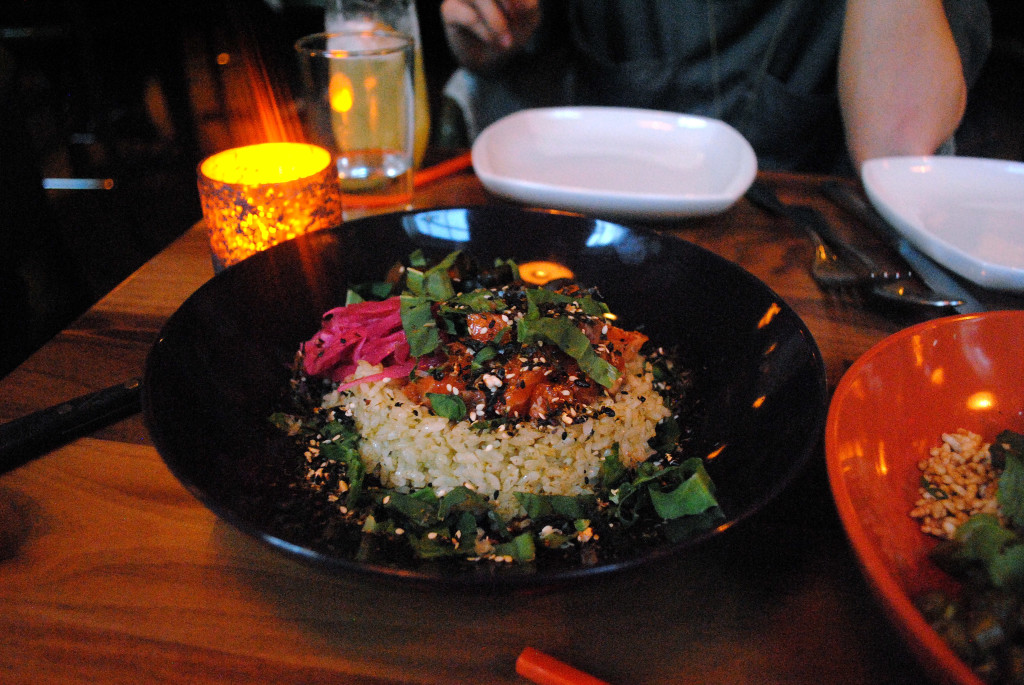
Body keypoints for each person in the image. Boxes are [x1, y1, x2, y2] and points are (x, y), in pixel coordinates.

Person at [438, 0, 992, 175]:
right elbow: (498, 58)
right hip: (599, 239)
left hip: (809, 270)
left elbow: (899, 142)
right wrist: (485, 34)